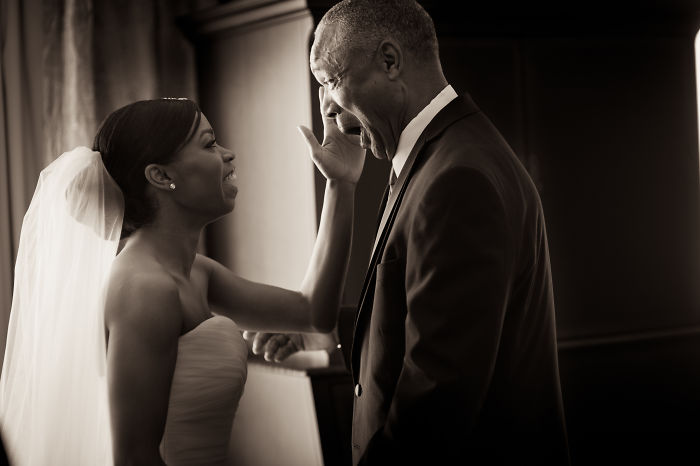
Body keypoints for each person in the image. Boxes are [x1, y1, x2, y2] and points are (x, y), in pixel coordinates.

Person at [249, 0, 571, 464]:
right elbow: (435, 312)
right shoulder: (440, 156)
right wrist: (331, 334)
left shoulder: (457, 180)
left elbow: (438, 392)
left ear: (389, 60)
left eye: (331, 81)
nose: (328, 109)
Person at [0, 97, 364, 465]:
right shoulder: (145, 289)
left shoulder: (196, 272)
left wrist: (341, 183)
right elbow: (135, 457)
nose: (229, 153)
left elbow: (313, 313)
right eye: (209, 144)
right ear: (161, 176)